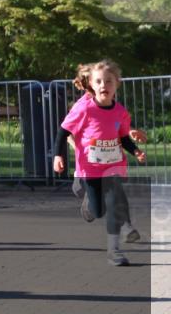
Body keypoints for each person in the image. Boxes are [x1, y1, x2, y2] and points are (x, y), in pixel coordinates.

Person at [53, 59, 146, 266]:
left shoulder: (120, 111)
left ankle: (115, 250)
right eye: (99, 81)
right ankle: (86, 196)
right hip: (90, 169)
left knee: (115, 203)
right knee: (99, 211)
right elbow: (63, 132)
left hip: (113, 167)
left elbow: (122, 136)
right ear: (91, 85)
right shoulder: (84, 108)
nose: (104, 85)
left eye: (109, 81)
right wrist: (58, 156)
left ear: (117, 84)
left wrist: (135, 151)